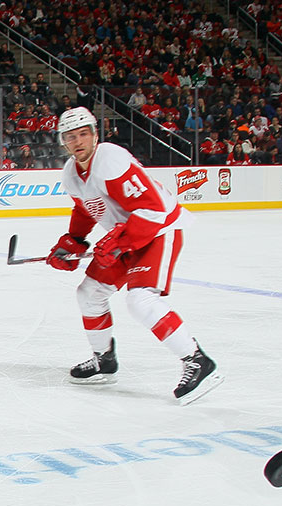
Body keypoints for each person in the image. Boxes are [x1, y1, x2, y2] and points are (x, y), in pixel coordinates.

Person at [45, 107, 223, 404]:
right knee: (89, 293)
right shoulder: (70, 174)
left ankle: (196, 360)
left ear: (95, 134)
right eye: (71, 137)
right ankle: (104, 358)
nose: (78, 142)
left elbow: (153, 208)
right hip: (125, 235)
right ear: (63, 141)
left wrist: (118, 242)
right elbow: (85, 209)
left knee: (140, 299)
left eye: (84, 134)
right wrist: (74, 241)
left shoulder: (110, 160)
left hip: (157, 230)